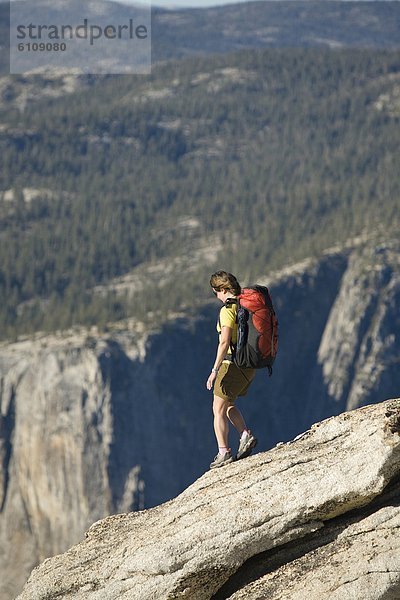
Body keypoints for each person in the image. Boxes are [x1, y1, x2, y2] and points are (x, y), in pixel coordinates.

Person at [206, 270, 257, 469]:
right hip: (248, 366)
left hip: (231, 365)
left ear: (224, 289)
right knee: (227, 406)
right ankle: (245, 435)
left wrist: (214, 370)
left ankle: (223, 452)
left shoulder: (227, 310)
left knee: (216, 410)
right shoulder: (245, 306)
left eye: (216, 292)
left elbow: (224, 341)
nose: (217, 297)